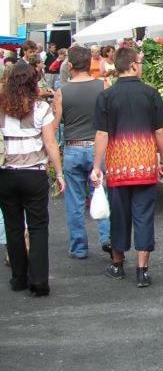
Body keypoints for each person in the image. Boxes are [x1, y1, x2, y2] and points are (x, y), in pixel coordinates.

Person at [90, 47, 163, 287]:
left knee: (119, 216)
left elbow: (102, 133)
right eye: (140, 61)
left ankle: (117, 264)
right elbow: (160, 131)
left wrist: (97, 165)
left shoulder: (106, 96)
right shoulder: (151, 94)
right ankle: (142, 270)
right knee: (144, 216)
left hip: (117, 166)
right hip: (145, 164)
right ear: (133, 65)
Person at [0, 62, 65, 295]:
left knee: (13, 226)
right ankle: (38, 281)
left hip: (6, 173)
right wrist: (58, 173)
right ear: (32, 82)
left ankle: (18, 278)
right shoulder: (40, 109)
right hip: (34, 173)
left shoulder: (1, 106)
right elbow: (50, 143)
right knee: (38, 227)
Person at [53, 45, 111, 260]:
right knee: (101, 193)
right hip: (98, 147)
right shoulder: (103, 85)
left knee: (75, 201)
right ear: (90, 64)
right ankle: (107, 238)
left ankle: (79, 247)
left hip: (73, 147)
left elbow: (56, 124)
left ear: (70, 66)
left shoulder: (62, 92)